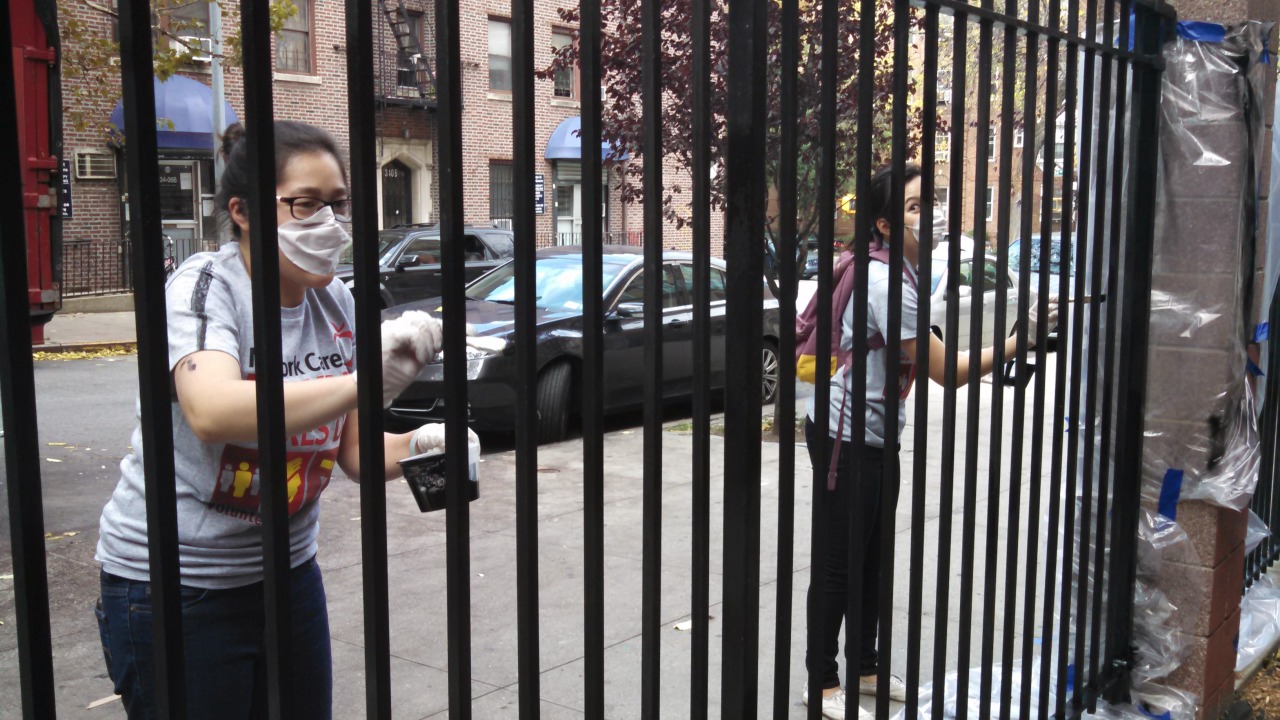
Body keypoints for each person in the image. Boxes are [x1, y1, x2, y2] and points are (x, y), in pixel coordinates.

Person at [94, 121, 449, 719]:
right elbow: (211, 411)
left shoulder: (336, 301)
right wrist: (363, 382)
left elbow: (353, 453)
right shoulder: (207, 287)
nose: (328, 223)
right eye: (305, 204)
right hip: (178, 585)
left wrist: (427, 444)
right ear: (243, 212)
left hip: (288, 575)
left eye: (337, 204)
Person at [802, 164, 1056, 719]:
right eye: (916, 207)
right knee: (840, 563)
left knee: (872, 558)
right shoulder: (887, 283)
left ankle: (865, 668)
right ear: (885, 224)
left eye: (931, 203)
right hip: (847, 435)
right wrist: (1021, 341)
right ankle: (821, 685)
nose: (933, 215)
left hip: (875, 434)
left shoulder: (904, 273)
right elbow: (945, 372)